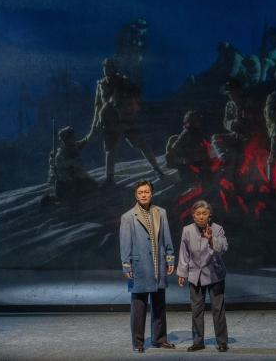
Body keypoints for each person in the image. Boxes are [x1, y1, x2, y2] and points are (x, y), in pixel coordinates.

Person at [85, 58, 166, 184]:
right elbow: (98, 105)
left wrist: (127, 105)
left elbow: (135, 96)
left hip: (127, 119)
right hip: (110, 121)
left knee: (141, 144)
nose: (106, 69)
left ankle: (158, 170)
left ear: (114, 68)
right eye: (105, 67)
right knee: (109, 150)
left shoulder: (124, 82)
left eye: (109, 67)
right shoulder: (101, 85)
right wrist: (95, 123)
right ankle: (109, 179)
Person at [120, 180, 176, 353]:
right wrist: (126, 266)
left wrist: (170, 259)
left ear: (152, 193)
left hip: (158, 265)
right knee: (139, 306)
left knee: (159, 304)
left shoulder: (161, 212)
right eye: (140, 192)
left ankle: (159, 339)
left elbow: (166, 237)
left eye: (146, 192)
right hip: (139, 266)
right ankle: (138, 342)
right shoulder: (128, 217)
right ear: (136, 195)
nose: (143, 195)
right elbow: (125, 245)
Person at [176, 200, 229, 352]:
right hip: (195, 275)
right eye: (198, 214)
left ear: (209, 215)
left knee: (218, 309)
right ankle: (198, 342)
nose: (201, 216)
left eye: (204, 213)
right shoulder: (187, 230)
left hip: (215, 274)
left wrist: (211, 239)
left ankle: (222, 342)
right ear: (193, 216)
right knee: (196, 310)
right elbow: (184, 253)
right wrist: (182, 273)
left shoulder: (217, 229)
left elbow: (223, 248)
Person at [41, 126, 98, 206]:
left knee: (92, 185)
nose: (74, 138)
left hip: (72, 182)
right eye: (72, 137)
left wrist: (91, 133)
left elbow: (84, 142)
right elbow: (73, 164)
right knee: (83, 191)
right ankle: (51, 198)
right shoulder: (61, 155)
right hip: (65, 185)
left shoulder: (71, 147)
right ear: (67, 139)